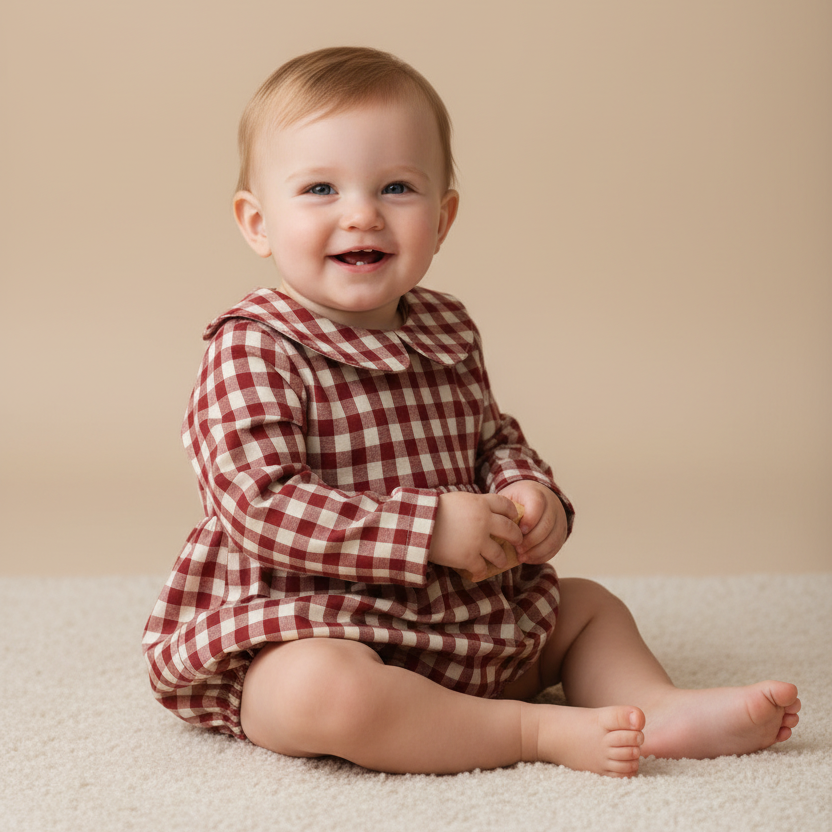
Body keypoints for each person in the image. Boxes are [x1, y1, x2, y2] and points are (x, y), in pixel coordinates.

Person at [143, 46, 800, 777]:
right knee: (319, 694)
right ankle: (528, 732)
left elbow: (490, 437)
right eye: (321, 189)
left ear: (443, 216)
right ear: (257, 222)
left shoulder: (445, 327)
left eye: (396, 187)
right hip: (312, 620)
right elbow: (257, 504)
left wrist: (526, 491)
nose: (361, 213)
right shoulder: (253, 347)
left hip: (457, 619)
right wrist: (424, 530)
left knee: (588, 609)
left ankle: (657, 706)